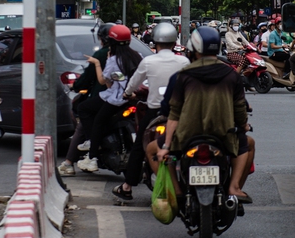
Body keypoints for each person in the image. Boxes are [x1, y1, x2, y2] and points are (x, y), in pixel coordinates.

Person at [155, 27, 252, 202]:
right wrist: (244, 125)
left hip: (186, 136)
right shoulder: (232, 76)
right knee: (246, 144)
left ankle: (177, 190)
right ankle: (234, 187)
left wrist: (166, 146)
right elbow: (239, 109)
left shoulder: (181, 76)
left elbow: (173, 113)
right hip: (223, 136)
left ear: (194, 49)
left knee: (161, 146)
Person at [110, 23, 190, 199]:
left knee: (139, 146)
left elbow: (133, 82)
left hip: (155, 112)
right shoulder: (183, 61)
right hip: (180, 113)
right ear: (174, 41)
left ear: (155, 42)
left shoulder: (149, 61)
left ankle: (128, 186)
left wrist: (127, 93)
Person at [77, 25, 143, 172]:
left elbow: (103, 81)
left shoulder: (113, 60)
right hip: (133, 97)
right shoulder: (137, 55)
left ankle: (92, 154)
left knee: (86, 110)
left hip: (116, 98)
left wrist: (97, 63)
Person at [58, 22, 114, 177]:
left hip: (104, 97)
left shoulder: (102, 55)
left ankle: (69, 163)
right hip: (126, 97)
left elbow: (92, 78)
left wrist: (75, 86)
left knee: (83, 123)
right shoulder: (130, 54)